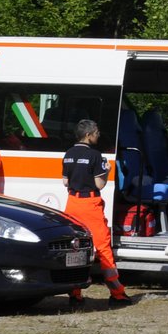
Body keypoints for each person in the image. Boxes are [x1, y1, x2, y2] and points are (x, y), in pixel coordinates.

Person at [61, 119, 131, 307]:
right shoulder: (95, 155)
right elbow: (99, 184)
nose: (98, 135)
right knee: (102, 248)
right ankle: (117, 293)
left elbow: (65, 182)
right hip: (90, 204)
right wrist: (107, 171)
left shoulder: (68, 154)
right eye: (97, 132)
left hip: (72, 203)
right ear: (88, 135)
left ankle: (75, 294)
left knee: (76, 247)